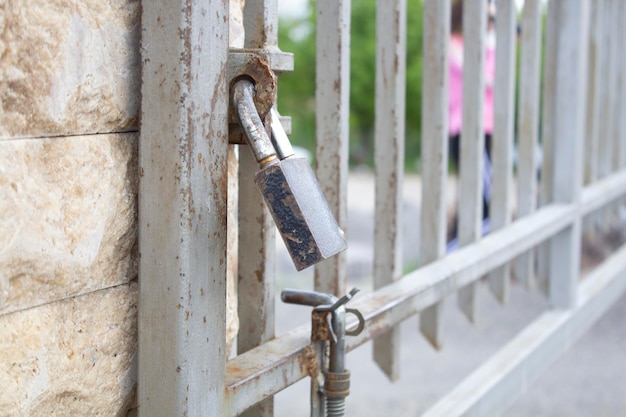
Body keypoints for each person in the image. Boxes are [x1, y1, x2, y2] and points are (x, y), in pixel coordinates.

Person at [447, 0, 496, 246]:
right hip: (466, 128)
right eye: (488, 19)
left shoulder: (483, 47)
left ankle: (457, 246)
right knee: (486, 201)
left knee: (478, 197)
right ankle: (455, 250)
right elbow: (483, 77)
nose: (491, 25)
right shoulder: (454, 46)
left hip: (482, 127)